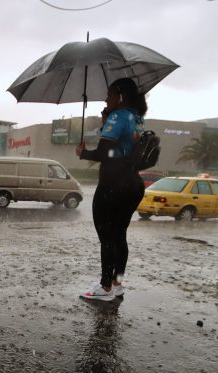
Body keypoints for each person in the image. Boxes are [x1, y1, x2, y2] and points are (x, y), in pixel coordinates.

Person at [75, 77, 147, 302]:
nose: (106, 99)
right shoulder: (137, 118)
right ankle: (117, 283)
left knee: (107, 237)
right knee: (119, 236)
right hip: (133, 184)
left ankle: (105, 287)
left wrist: (83, 152)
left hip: (113, 185)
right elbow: (122, 150)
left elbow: (104, 153)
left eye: (109, 94)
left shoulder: (118, 116)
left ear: (120, 96)